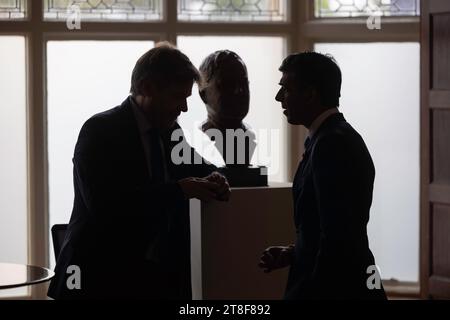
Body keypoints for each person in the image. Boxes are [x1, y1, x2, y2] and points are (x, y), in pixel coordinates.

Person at [48, 42, 230, 299]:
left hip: (152, 279)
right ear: (146, 88)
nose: (184, 109)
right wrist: (180, 189)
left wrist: (215, 176)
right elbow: (107, 207)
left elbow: (197, 167)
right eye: (178, 97)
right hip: (96, 278)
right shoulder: (99, 131)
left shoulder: (170, 131)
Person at [259, 52, 386, 300]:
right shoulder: (329, 138)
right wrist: (294, 253)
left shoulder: (332, 144)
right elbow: (331, 226)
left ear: (310, 93)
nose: (278, 98)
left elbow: (338, 240)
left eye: (286, 89)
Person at [198, 50, 256, 168]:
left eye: (243, 84)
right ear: (203, 94)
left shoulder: (248, 136)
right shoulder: (197, 143)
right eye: (227, 85)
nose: (238, 91)